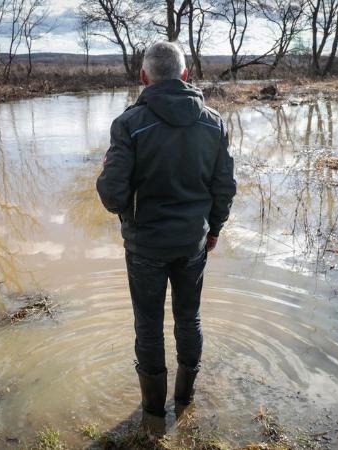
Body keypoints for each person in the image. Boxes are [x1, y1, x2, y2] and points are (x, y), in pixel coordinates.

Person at [96, 41, 237, 430]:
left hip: (145, 247)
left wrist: (106, 170)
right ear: (185, 75)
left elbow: (112, 197)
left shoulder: (129, 124)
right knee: (188, 319)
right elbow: (224, 186)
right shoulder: (214, 122)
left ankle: (153, 415)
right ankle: (184, 401)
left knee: (148, 326)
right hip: (193, 242)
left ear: (144, 77)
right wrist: (215, 229)